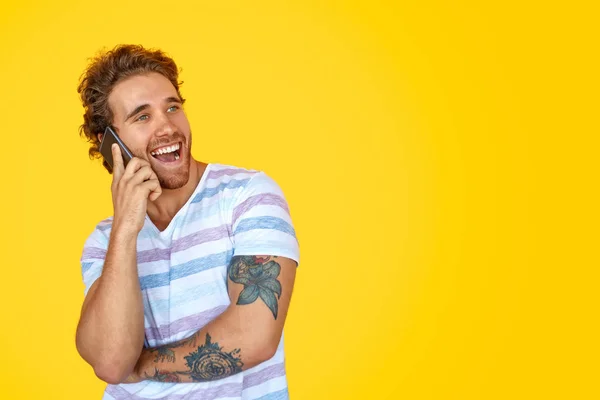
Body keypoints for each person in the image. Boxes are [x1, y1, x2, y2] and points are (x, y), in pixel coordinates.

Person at [75, 44, 299, 400]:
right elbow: (111, 362)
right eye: (142, 117)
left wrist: (141, 366)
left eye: (173, 107)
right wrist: (126, 229)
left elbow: (255, 337)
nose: (167, 126)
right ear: (110, 145)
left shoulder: (246, 196)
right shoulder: (107, 241)